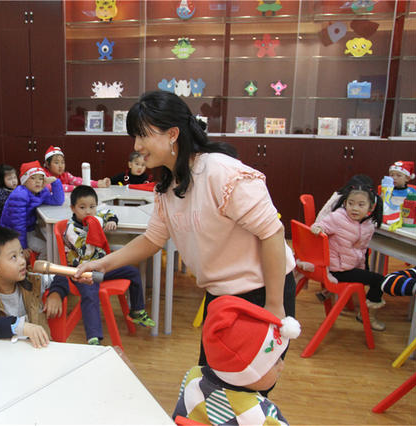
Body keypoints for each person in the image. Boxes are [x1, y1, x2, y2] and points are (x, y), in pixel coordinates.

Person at [75, 91, 296, 365]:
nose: (137, 145)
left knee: (248, 381)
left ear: (172, 134)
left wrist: (274, 305)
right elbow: (152, 240)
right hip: (219, 295)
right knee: (211, 377)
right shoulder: (168, 186)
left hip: (261, 291)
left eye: (143, 135)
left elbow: (272, 233)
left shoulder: (221, 172)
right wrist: (103, 264)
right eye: (134, 137)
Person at [172, 295, 300, 424]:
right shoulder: (263, 414)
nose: (281, 366)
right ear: (247, 374)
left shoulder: (192, 377)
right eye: (275, 362)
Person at [63, 185, 154, 344]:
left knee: (132, 272)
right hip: (82, 273)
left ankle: (137, 310)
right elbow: (86, 252)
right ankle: (93, 337)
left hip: (101, 268)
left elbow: (107, 212)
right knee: (90, 294)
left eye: (92, 207)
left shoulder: (95, 216)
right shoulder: (72, 229)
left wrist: (111, 220)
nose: (88, 211)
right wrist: (94, 227)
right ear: (73, 208)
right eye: (82, 207)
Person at [311, 182, 386, 330]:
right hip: (337, 269)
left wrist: (362, 269)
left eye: (360, 205)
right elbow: (321, 225)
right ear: (345, 203)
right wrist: (318, 228)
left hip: (350, 266)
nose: (355, 208)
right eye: (350, 203)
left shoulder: (368, 226)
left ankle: (329, 294)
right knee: (379, 280)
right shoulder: (338, 217)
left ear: (370, 208)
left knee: (372, 276)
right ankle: (367, 316)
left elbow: (362, 251)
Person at [0, 161, 64, 261]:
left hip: (29, 228)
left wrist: (55, 182)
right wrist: (22, 246)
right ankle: (39, 269)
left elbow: (57, 201)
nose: (37, 182)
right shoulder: (19, 195)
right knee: (47, 249)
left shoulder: (41, 191)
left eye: (41, 178)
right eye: (33, 178)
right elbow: (18, 224)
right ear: (24, 181)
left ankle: (43, 264)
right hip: (12, 233)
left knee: (53, 242)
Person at [42, 146, 110, 192]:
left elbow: (79, 181)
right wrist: (75, 188)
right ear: (47, 164)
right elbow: (52, 187)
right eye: (56, 163)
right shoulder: (43, 176)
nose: (60, 166)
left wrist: (98, 183)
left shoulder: (66, 175)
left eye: (62, 162)